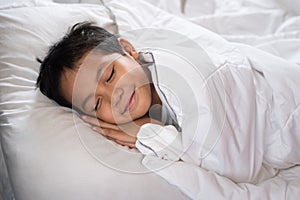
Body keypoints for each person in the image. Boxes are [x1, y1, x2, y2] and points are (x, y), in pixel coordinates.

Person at [37, 22, 300, 184]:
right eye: (96, 104)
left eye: (109, 75)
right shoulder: (151, 97)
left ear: (128, 50)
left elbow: (238, 169)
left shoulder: (189, 79)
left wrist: (152, 134)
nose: (112, 95)